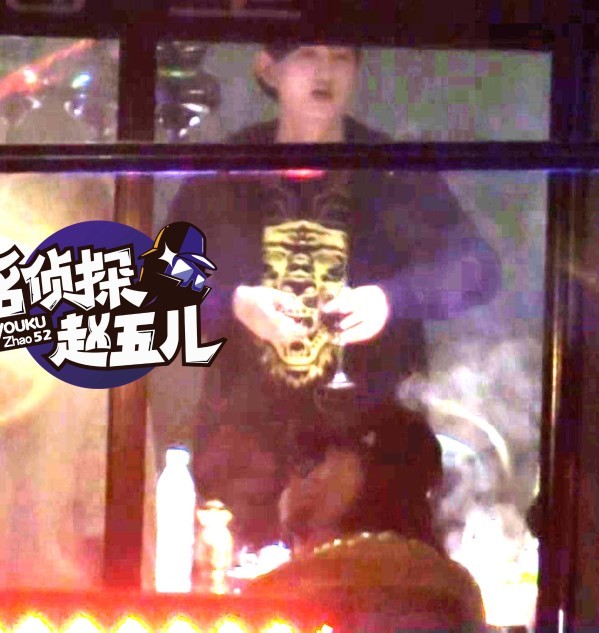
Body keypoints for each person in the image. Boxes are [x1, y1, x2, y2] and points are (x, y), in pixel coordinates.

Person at [165, 43, 502, 548]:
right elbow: (162, 288)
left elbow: (478, 268)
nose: (325, 72)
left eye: (341, 57)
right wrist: (236, 302)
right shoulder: (223, 174)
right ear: (268, 69)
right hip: (245, 463)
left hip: (379, 464)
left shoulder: (392, 172)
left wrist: (391, 299)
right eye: (308, 54)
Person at [247, 400, 487, 633]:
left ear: (375, 475)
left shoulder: (281, 592)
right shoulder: (454, 590)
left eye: (326, 459)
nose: (306, 476)